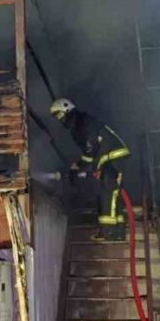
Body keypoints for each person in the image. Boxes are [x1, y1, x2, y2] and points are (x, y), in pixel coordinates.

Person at [50, 98, 131, 241]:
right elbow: (94, 151)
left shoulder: (83, 123)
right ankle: (118, 231)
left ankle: (109, 232)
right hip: (108, 159)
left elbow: (91, 149)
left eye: (60, 115)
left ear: (67, 110)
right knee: (112, 195)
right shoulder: (80, 124)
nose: (59, 119)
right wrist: (94, 166)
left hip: (114, 159)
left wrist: (79, 165)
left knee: (108, 194)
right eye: (57, 117)